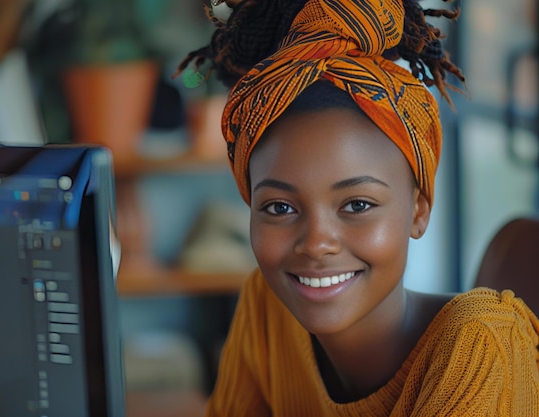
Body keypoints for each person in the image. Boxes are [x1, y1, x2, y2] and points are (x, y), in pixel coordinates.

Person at [176, 0, 539, 415]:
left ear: (419, 209)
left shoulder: (482, 343)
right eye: (279, 208)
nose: (316, 244)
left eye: (358, 204)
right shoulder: (268, 306)